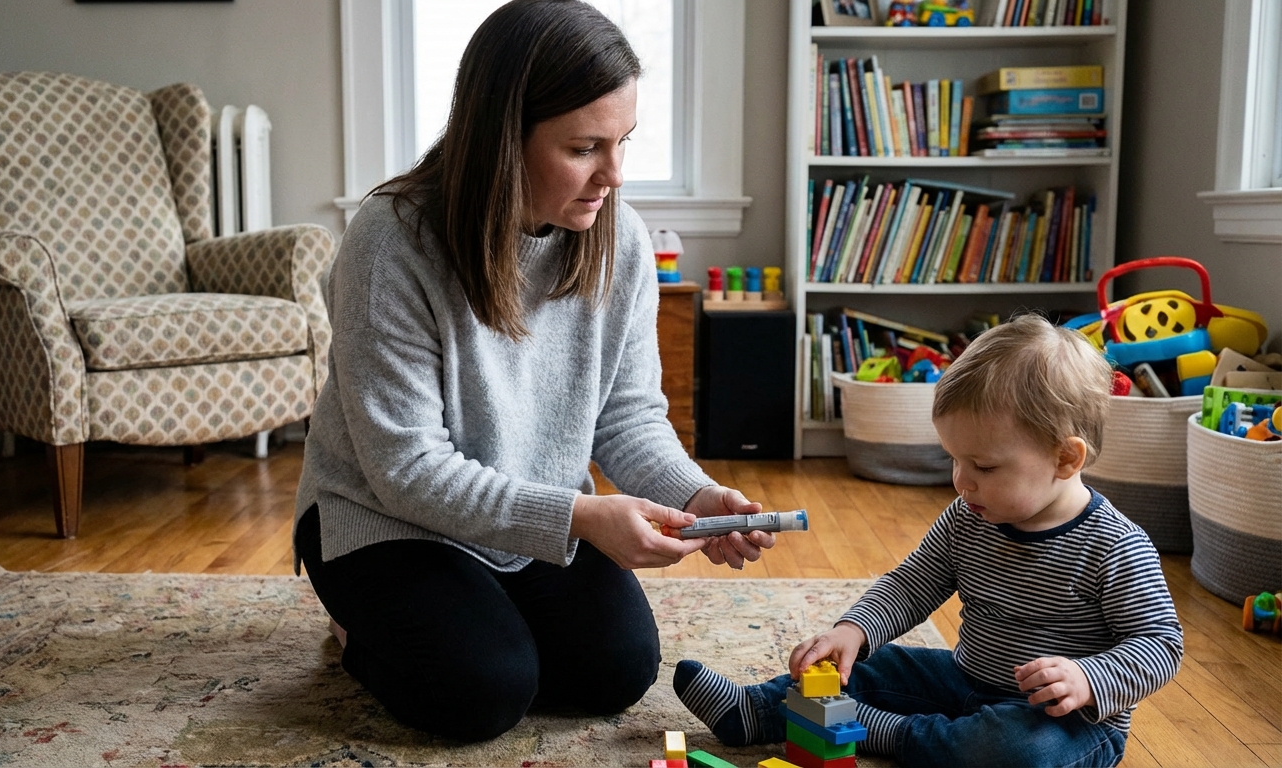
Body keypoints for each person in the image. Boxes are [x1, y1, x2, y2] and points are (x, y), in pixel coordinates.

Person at [294, 0, 775, 744]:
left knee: (614, 671)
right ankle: (359, 632)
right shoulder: (389, 242)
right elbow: (405, 469)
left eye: (623, 142)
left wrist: (695, 492)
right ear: (501, 138)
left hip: (524, 514)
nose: (613, 175)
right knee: (481, 693)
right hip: (385, 517)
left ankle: (474, 610)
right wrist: (581, 518)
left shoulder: (622, 240)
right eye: (585, 148)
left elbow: (627, 416)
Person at [673, 314, 1184, 767]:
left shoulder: (1114, 545)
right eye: (954, 459)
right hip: (966, 679)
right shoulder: (969, 515)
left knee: (1009, 751)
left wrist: (1089, 679)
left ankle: (884, 734)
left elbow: (1161, 644)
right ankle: (758, 710)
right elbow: (912, 584)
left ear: (1066, 459)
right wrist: (853, 630)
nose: (962, 480)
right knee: (870, 664)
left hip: (1065, 721)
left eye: (983, 466)